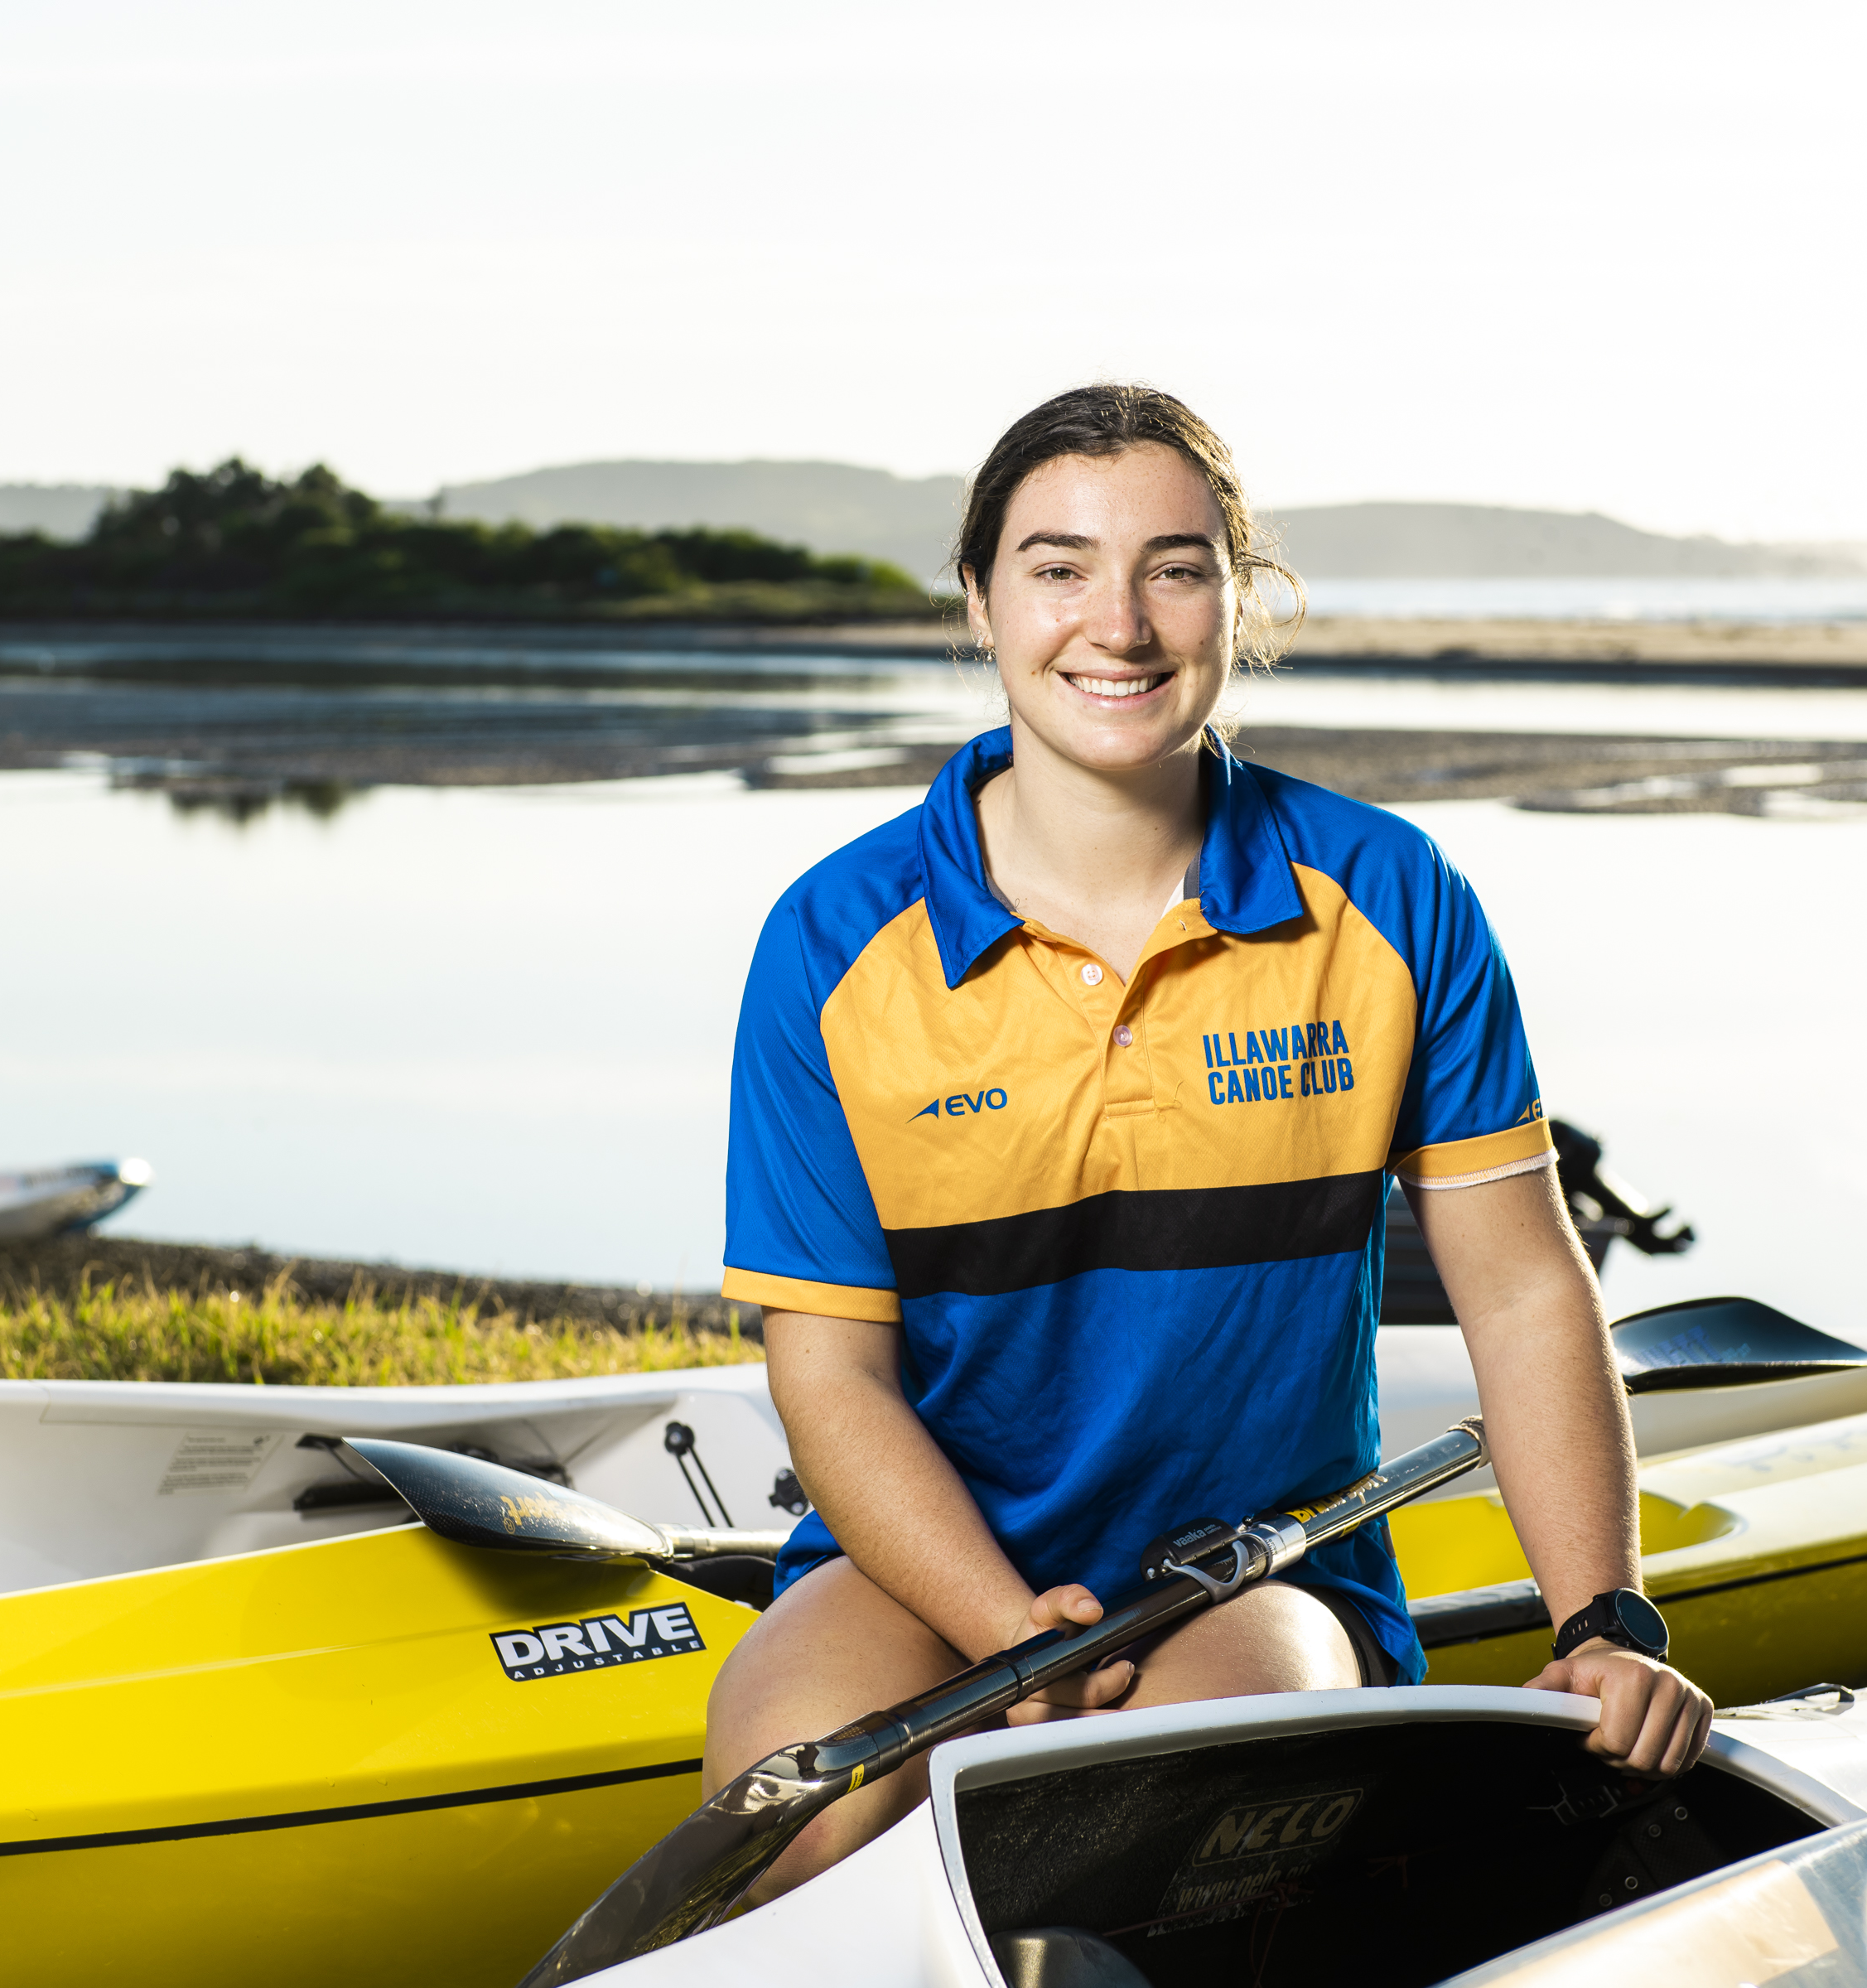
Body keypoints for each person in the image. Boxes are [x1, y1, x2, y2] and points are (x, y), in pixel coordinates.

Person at [708, 384, 1711, 1899]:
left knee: (1143, 1848)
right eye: (1057, 567)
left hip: (1268, 1572)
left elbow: (1518, 1289)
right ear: (980, 601)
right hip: (919, 1575)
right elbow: (827, 1370)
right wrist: (1000, 1624)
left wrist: (1604, 1623)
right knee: (809, 1837)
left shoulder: (1389, 895)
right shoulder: (834, 943)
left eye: (1173, 567)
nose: (1117, 620)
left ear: (1241, 600)